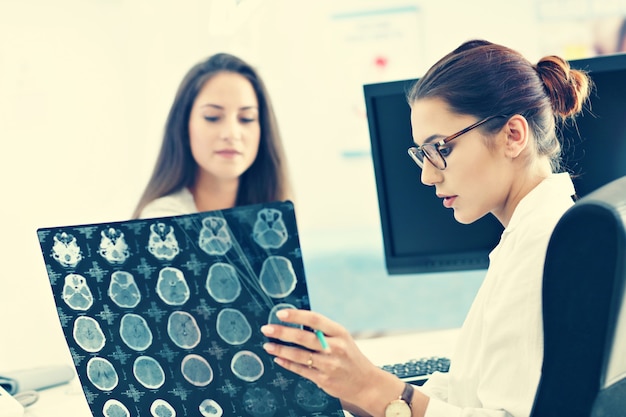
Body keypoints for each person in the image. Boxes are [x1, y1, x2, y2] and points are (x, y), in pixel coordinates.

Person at [261, 39, 592, 417]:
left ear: (513, 136)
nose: (426, 175)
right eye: (422, 153)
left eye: (441, 149)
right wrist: (344, 384)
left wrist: (371, 385)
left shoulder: (541, 250)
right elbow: (470, 390)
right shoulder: (533, 234)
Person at [132, 52, 292, 219]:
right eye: (212, 117)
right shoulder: (162, 219)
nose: (231, 134)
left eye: (246, 118)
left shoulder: (276, 213)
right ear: (184, 127)